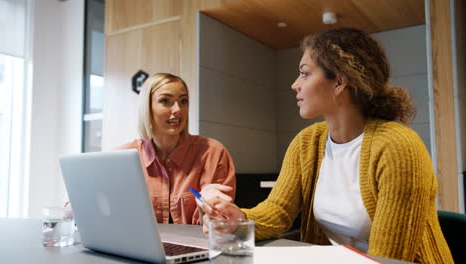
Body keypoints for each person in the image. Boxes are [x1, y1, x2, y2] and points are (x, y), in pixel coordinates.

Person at [199, 28, 454, 263]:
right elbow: (278, 211)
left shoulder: (398, 147)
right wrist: (239, 217)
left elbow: (387, 259)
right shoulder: (307, 142)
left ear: (339, 82)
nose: (294, 84)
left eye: (305, 73)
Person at [118, 73, 236, 225]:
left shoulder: (213, 153)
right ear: (147, 108)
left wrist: (209, 212)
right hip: (135, 246)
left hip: (198, 244)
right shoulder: (123, 157)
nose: (177, 109)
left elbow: (219, 223)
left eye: (183, 101)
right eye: (165, 101)